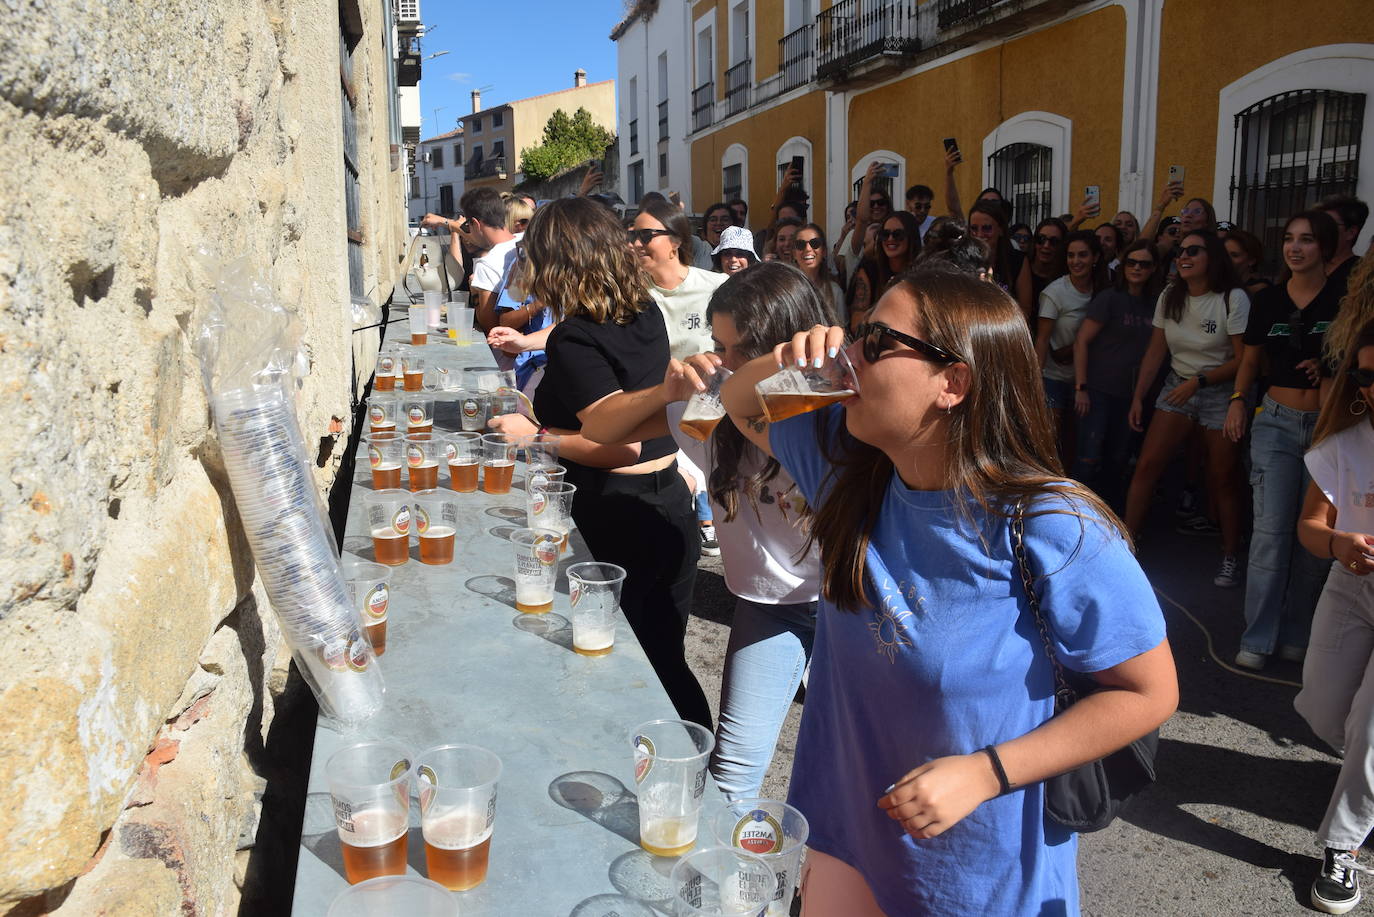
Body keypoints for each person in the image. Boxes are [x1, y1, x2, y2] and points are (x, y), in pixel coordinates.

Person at [714, 264, 1176, 917]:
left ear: (953, 381)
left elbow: (1150, 690)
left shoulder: (1053, 527)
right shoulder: (849, 475)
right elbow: (738, 398)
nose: (850, 353)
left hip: (974, 870)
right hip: (844, 832)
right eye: (856, 331)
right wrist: (793, 360)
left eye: (875, 343)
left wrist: (988, 771)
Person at [579, 263, 828, 801]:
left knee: (853, 772)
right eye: (717, 343)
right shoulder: (712, 407)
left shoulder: (832, 407)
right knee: (731, 775)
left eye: (734, 348)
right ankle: (724, 884)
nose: (720, 361)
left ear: (781, 346)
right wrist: (661, 391)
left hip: (856, 609)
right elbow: (599, 429)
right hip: (774, 607)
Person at [503, 196, 713, 728]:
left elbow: (617, 445)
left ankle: (690, 775)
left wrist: (538, 436)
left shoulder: (575, 336)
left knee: (631, 668)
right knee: (664, 659)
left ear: (554, 262)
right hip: (669, 504)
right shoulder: (641, 311)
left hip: (616, 516)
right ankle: (698, 767)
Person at [1224, 211, 1342, 670]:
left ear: (1325, 249)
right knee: (1271, 534)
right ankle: (1258, 637)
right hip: (1274, 421)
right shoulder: (1268, 299)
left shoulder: (1344, 300)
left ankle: (1297, 633)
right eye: (1290, 239)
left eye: (1307, 240)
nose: (1296, 248)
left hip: (1328, 426)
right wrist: (1238, 400)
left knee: (1313, 537)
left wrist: (1330, 367)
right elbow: (1250, 362)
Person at [1292, 319, 1374, 916]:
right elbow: (1310, 527)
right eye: (1367, 374)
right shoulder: (1344, 444)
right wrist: (1338, 544)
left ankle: (1342, 846)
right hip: (1351, 586)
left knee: (1371, 728)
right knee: (1323, 711)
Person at [1125, 230, 1250, 587]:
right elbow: (1155, 351)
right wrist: (1139, 396)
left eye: (1194, 250)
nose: (1184, 256)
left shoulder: (1232, 298)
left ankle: (1229, 556)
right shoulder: (1170, 294)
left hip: (1221, 391)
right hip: (1178, 384)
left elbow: (1244, 360)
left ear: (1213, 257)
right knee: (1147, 465)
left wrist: (1200, 383)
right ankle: (1127, 549)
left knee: (1222, 476)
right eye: (1180, 250)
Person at [1072, 240, 1162, 506]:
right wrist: (1081, 387)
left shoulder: (1156, 303)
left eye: (1144, 264)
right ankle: (1078, 512)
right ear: (1123, 266)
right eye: (1131, 262)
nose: (1137, 268)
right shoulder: (1109, 298)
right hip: (1097, 389)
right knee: (1088, 457)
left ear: (1153, 268)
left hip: (1132, 394)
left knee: (1118, 459)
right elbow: (1081, 342)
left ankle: (1109, 518)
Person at [1036, 231, 1110, 442]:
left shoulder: (1104, 288)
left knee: (1077, 441)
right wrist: (1035, 381)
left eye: (1083, 255)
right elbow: (1042, 340)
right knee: (1050, 440)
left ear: (1095, 258)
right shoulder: (1055, 292)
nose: (1076, 261)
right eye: (1071, 255)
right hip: (1054, 377)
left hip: (1090, 378)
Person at [460, 187, 519, 332]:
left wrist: (475, 292)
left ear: (476, 224)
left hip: (508, 351)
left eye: (467, 227)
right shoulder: (526, 242)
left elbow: (490, 325)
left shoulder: (487, 264)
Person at [969, 201, 1033, 320]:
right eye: (973, 228)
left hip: (1006, 330)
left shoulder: (1017, 260)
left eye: (986, 228)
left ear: (1001, 230)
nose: (979, 234)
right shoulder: (963, 260)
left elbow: (1025, 308)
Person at [793, 223, 847, 325]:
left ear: (824, 251)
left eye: (815, 243)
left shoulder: (835, 292)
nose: (808, 249)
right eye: (800, 244)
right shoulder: (785, 290)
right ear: (794, 254)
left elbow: (842, 332)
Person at [1322, 193, 1368, 295]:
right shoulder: (1312, 266)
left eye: (1328, 224)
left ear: (1350, 233)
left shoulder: (1363, 275)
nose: (1320, 230)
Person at [848, 161, 894, 259]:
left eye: (881, 202)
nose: (876, 206)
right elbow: (861, 220)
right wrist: (867, 181)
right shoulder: (855, 234)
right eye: (871, 203)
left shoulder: (894, 233)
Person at [1028, 217, 1069, 311]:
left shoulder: (1067, 278)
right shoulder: (1021, 269)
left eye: (1054, 242)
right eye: (1041, 239)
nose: (1046, 245)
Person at [1223, 227, 1271, 298]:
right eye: (1224, 253)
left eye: (1234, 255)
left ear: (1251, 260)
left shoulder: (1261, 289)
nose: (1226, 259)